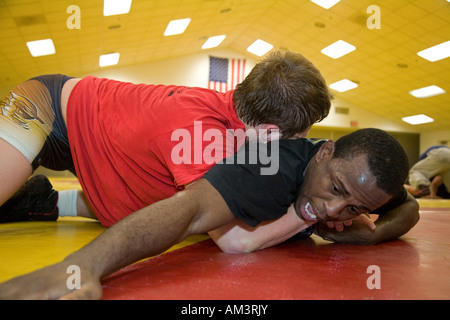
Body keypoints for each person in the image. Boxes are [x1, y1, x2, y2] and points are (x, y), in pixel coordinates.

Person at [0, 128, 420, 299]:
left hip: (197, 194)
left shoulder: (367, 179)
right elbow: (189, 210)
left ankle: (44, 200)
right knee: (139, 204)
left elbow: (411, 208)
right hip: (167, 180)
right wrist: (81, 267)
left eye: (355, 208)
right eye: (335, 189)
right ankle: (40, 198)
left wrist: (373, 233)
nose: (333, 209)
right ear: (324, 151)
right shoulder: (270, 165)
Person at [0, 50, 331, 225]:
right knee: (196, 206)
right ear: (270, 132)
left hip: (103, 147)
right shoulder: (202, 132)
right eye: (297, 138)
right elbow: (232, 241)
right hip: (51, 110)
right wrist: (311, 215)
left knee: (159, 194)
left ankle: (44, 200)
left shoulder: (237, 113)